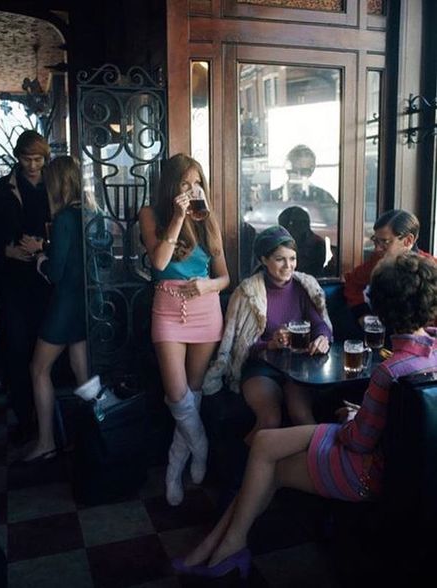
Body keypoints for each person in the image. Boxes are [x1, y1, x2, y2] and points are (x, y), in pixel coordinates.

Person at [172, 252, 437, 579]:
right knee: (266, 442)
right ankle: (223, 545)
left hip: (371, 473)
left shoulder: (390, 371)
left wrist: (353, 418)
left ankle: (225, 547)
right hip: (414, 473)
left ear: (381, 309)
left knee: (269, 464)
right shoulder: (428, 355)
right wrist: (362, 416)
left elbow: (357, 442)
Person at [139, 153, 230, 506]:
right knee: (177, 395)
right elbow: (159, 261)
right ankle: (200, 446)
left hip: (205, 310)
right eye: (185, 184)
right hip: (167, 308)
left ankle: (174, 468)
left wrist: (208, 286)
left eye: (197, 183)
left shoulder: (209, 220)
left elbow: (225, 277)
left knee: (192, 394)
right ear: (170, 187)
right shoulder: (152, 214)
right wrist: (178, 217)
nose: (193, 190)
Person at [203, 225, 333, 443]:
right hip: (261, 366)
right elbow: (240, 348)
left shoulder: (305, 286)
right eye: (280, 259)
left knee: (303, 417)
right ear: (264, 259)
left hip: (297, 367)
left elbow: (321, 325)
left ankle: (308, 470)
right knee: (270, 420)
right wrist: (269, 344)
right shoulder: (247, 292)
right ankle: (246, 467)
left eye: (292, 258)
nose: (288, 266)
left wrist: (322, 338)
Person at [0, 130, 52, 445]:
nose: (32, 165)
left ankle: (51, 417)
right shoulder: (0, 192)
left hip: (48, 280)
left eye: (38, 159)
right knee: (17, 350)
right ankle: (26, 418)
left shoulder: (55, 188)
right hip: (13, 285)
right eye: (27, 159)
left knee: (46, 350)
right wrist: (7, 249)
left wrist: (42, 246)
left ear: (46, 159)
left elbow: (72, 225)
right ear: (17, 158)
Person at [21, 156, 91, 463]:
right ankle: (93, 436)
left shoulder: (63, 218)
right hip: (87, 304)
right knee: (83, 372)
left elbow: (56, 273)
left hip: (64, 306)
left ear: (57, 184)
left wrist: (39, 258)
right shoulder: (90, 212)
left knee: (38, 369)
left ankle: (46, 442)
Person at [344, 209, 435, 326]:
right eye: (375, 241)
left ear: (408, 240)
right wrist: (361, 312)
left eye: (385, 242)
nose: (377, 249)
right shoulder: (377, 261)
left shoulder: (432, 269)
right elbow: (352, 282)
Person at [270, 144, 336, 207]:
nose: (298, 176)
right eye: (294, 171)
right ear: (288, 169)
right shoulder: (271, 198)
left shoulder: (323, 199)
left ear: (312, 171)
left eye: (304, 172)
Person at [278, 206, 328, 276]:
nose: (287, 230)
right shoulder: (280, 242)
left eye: (293, 224)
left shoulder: (317, 243)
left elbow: (315, 271)